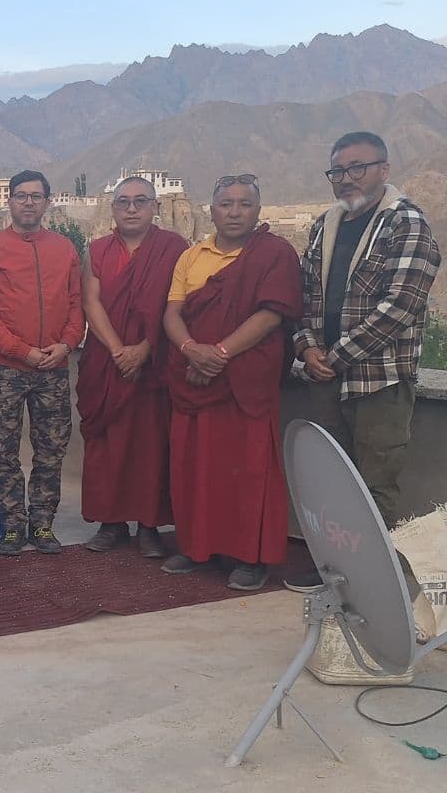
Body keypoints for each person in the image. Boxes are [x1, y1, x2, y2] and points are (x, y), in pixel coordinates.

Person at [287, 132, 442, 592]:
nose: (347, 179)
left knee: (375, 483)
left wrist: (332, 356)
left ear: (384, 169)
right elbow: (306, 296)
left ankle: (375, 584)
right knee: (331, 480)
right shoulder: (324, 226)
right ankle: (334, 574)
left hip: (381, 381)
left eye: (358, 168)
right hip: (325, 378)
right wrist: (306, 347)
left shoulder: (406, 223)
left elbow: (400, 307)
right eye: (338, 171)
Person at [161, 174, 302, 591]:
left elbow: (271, 315)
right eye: (226, 204)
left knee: (248, 470)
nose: (235, 211)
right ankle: (195, 546)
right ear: (212, 210)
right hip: (194, 377)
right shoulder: (192, 256)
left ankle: (249, 556)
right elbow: (172, 313)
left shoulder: (274, 254)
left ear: (258, 210)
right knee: (193, 465)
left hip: (244, 380)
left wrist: (218, 354)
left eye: (244, 203)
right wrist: (191, 350)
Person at [0, 170, 85, 556]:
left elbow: (75, 305)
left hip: (53, 367)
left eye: (36, 196)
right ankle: (13, 526)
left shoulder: (64, 249)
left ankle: (43, 524)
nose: (29, 202)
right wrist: (22, 351)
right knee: (2, 448)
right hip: (7, 369)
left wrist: (66, 344)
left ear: (47, 201)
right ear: (10, 201)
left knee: (51, 449)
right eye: (21, 195)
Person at [78, 178, 188, 558]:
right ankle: (110, 523)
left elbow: (178, 303)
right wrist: (118, 350)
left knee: (151, 445)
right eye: (123, 202)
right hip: (107, 361)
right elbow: (91, 303)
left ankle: (149, 526)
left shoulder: (173, 249)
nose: (131, 208)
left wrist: (144, 348)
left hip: (153, 363)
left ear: (154, 207)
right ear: (112, 209)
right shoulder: (97, 250)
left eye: (140, 201)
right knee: (106, 444)